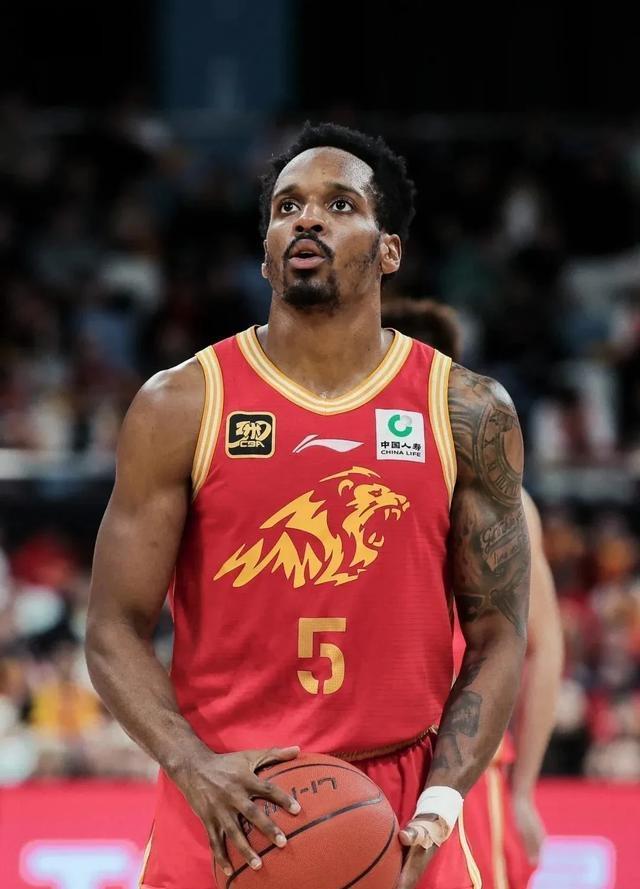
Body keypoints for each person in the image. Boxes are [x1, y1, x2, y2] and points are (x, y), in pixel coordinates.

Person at [86, 123, 530, 889]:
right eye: (287, 206)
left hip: (400, 800)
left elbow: (499, 633)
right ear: (265, 254)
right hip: (223, 794)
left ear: (389, 251)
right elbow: (111, 627)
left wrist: (443, 795)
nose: (308, 219)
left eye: (339, 204)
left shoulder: (465, 409)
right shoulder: (181, 403)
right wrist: (192, 764)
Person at [382, 298, 564, 888]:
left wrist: (525, 790)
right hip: (361, 756)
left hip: (461, 766)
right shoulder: (354, 487)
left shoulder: (501, 499)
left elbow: (541, 647)